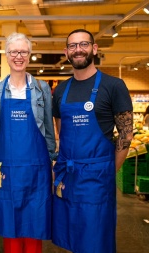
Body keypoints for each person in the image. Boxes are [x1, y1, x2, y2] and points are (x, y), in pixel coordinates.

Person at [0, 32, 57, 253]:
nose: (18, 56)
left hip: (38, 172)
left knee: (34, 228)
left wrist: (53, 163)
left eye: (23, 52)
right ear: (7, 56)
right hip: (6, 173)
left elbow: (49, 129)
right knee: (10, 229)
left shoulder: (41, 90)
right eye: (13, 52)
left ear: (29, 55)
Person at [51, 29, 133, 253]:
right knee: (72, 235)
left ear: (94, 49)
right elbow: (61, 132)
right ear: (66, 52)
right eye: (73, 46)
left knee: (96, 239)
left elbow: (126, 135)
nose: (78, 50)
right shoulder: (60, 90)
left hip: (97, 179)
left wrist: (107, 170)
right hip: (68, 175)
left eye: (83, 44)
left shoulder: (114, 86)